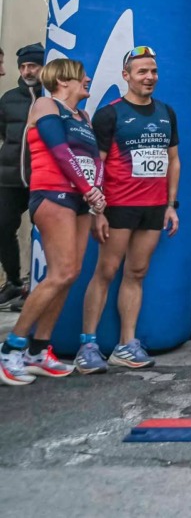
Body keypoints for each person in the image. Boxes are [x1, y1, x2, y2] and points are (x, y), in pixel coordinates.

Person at [76, 46, 180, 372]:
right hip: (119, 205)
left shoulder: (166, 111)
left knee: (136, 273)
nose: (149, 77)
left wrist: (171, 205)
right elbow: (97, 165)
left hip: (153, 208)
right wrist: (98, 212)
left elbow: (173, 160)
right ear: (126, 76)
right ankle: (87, 345)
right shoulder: (110, 114)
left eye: (153, 71)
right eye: (142, 72)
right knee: (105, 272)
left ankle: (126, 344)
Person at [0, 59, 100, 385]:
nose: (88, 79)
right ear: (64, 80)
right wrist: (90, 190)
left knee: (69, 274)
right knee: (59, 274)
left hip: (82, 201)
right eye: (81, 75)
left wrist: (95, 192)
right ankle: (11, 349)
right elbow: (59, 150)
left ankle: (39, 349)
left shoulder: (82, 116)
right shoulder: (46, 104)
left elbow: (93, 159)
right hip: (53, 194)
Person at [0, 43, 44, 311]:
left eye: (33, 66)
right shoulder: (8, 98)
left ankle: (36, 286)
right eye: (23, 67)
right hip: (10, 178)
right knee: (3, 226)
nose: (27, 71)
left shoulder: (50, 97)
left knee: (42, 232)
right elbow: (4, 133)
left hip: (41, 179)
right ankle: (14, 282)